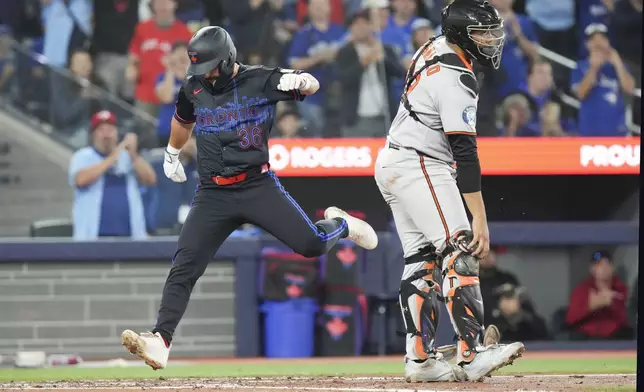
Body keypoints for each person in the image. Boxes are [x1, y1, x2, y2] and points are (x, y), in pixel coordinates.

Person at [119, 26, 378, 370]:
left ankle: (342, 224)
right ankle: (161, 340)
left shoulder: (260, 79)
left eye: (210, 66)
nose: (206, 74)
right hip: (212, 191)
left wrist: (299, 82)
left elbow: (310, 82)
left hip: (256, 184)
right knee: (184, 266)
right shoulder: (194, 85)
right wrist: (171, 152)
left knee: (312, 244)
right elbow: (183, 119)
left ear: (227, 60)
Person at [374, 0, 524, 383]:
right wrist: (480, 219)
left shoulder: (432, 45)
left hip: (394, 160)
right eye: (482, 34)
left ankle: (421, 360)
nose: (491, 40)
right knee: (462, 249)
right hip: (421, 163)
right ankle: (472, 353)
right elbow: (466, 155)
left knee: (421, 261)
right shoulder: (456, 77)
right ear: (462, 34)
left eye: (493, 33)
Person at [68, 110, 157, 240]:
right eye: (101, 130)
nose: (107, 134)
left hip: (130, 236)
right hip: (92, 236)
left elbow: (151, 179)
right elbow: (81, 180)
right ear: (93, 135)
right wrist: (114, 155)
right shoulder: (82, 156)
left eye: (110, 129)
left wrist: (133, 154)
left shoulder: (128, 157)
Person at [571, 23, 635, 136]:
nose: (598, 43)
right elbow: (581, 93)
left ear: (608, 42)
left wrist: (618, 63)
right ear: (587, 44)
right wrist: (594, 68)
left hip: (617, 132)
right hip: (589, 132)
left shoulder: (619, 66)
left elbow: (629, 88)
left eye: (602, 38)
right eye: (593, 40)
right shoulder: (580, 67)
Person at [565, 250, 632, 340]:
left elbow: (624, 319)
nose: (604, 268)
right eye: (599, 265)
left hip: (614, 337)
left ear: (613, 268)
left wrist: (611, 303)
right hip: (587, 337)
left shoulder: (621, 288)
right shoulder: (581, 290)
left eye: (607, 264)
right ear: (592, 269)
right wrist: (589, 307)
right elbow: (571, 319)